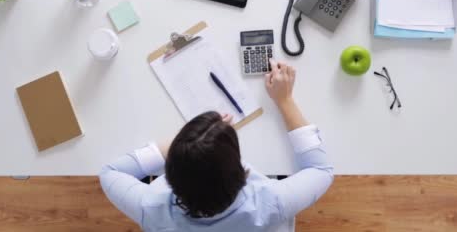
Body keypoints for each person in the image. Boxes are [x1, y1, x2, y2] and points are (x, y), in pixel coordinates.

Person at [99, 59, 334, 231]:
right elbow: (320, 169)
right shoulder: (270, 202)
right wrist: (285, 100)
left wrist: (189, 140)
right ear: (241, 172)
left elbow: (110, 172)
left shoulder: (150, 207)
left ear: (171, 173)